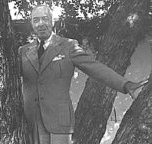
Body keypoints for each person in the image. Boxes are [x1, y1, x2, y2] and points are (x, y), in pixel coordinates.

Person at [18, 5, 146, 144]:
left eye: (45, 19)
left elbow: (95, 68)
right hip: (30, 123)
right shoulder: (23, 51)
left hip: (59, 123)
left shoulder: (68, 46)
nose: (41, 23)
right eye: (36, 20)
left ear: (52, 21)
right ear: (31, 23)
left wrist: (126, 85)